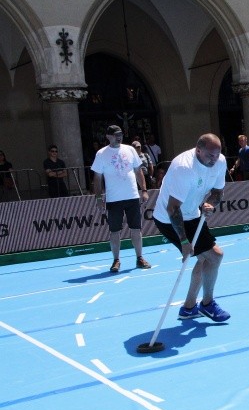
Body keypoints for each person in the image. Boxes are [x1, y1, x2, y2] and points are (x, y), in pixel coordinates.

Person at [152, 133, 230, 322]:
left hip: (192, 213)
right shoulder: (184, 168)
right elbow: (173, 208)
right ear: (198, 150)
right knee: (214, 256)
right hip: (168, 218)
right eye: (210, 155)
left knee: (206, 259)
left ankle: (189, 308)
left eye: (217, 155)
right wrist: (184, 241)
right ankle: (207, 304)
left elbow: (218, 193)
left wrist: (211, 203)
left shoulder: (220, 161)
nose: (214, 159)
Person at [91, 125, 151, 273]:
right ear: (108, 136)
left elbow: (138, 171)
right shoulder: (101, 154)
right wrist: (99, 198)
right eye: (116, 135)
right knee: (114, 231)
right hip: (114, 199)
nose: (119, 137)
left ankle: (139, 257)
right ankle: (116, 259)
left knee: (136, 229)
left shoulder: (130, 150)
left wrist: (143, 190)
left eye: (121, 134)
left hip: (132, 196)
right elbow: (97, 178)